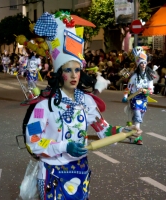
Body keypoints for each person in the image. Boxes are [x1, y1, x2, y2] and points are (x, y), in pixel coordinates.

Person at [24, 12, 140, 200]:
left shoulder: (87, 101)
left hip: (80, 172)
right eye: (67, 70)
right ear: (58, 73)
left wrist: (125, 131)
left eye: (77, 69)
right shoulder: (43, 106)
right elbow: (34, 140)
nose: (73, 75)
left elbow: (104, 130)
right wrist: (64, 146)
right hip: (52, 175)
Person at [122, 47, 155, 145]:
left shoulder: (149, 76)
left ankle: (131, 134)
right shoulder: (134, 76)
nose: (143, 65)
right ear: (138, 65)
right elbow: (128, 88)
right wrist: (125, 96)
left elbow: (151, 88)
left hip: (144, 99)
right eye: (141, 63)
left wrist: (148, 91)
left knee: (138, 118)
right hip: (134, 98)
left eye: (144, 63)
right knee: (137, 116)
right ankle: (138, 138)